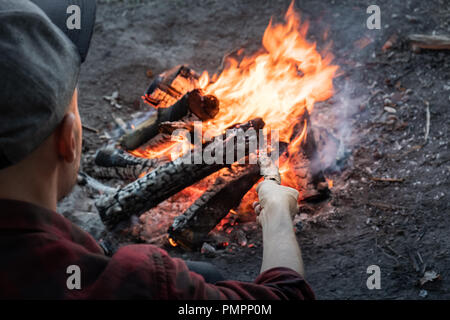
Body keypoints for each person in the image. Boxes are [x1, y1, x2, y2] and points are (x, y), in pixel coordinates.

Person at [0, 0, 314, 300]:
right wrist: (277, 217)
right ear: (68, 139)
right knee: (209, 277)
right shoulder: (135, 285)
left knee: (206, 274)